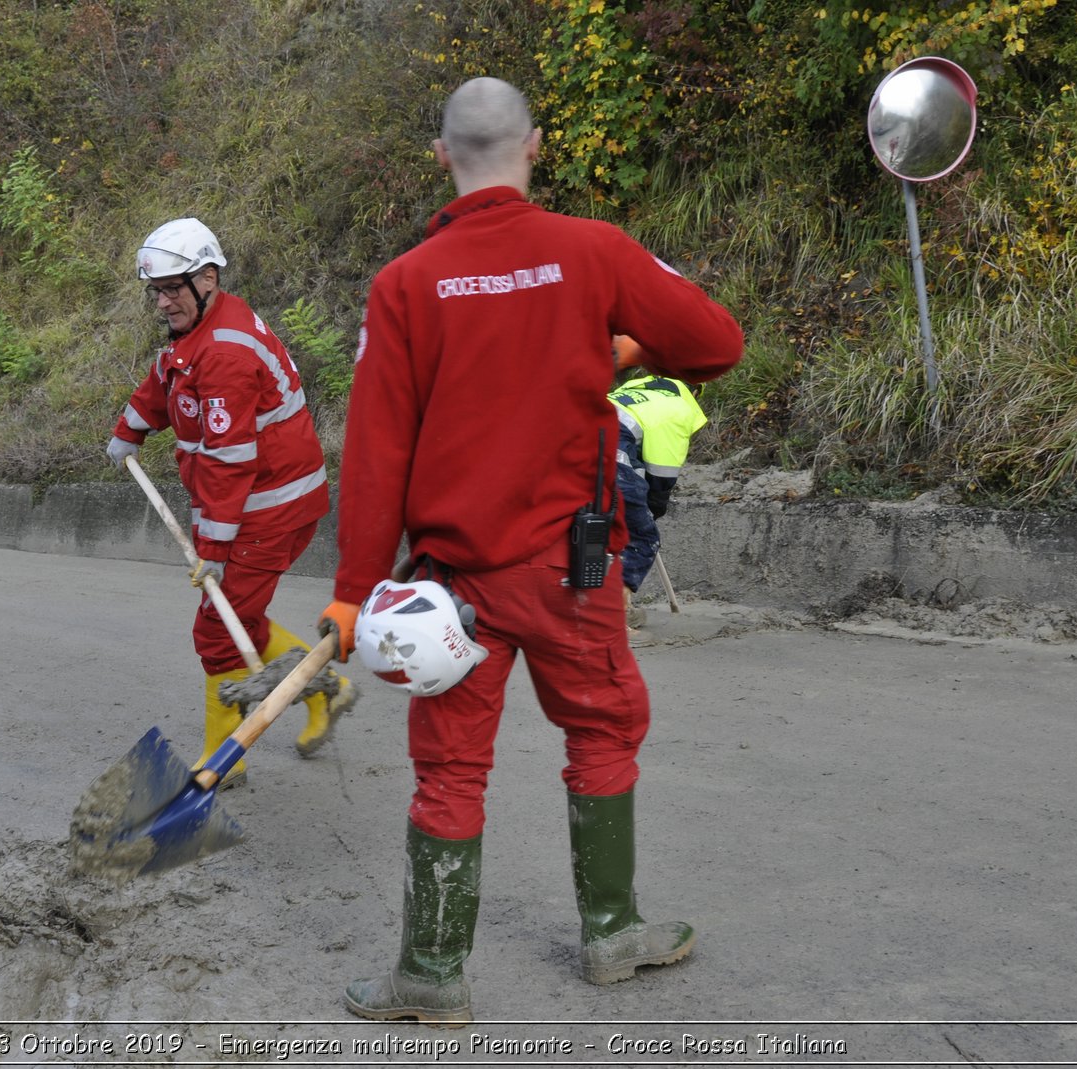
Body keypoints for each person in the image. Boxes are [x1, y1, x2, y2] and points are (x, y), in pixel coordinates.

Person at [318, 77, 742, 1024]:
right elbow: (717, 341)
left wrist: (353, 595)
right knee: (600, 729)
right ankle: (612, 933)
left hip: (449, 590)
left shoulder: (403, 285)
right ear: (536, 146)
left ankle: (429, 974)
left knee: (450, 768)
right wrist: (624, 351)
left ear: (440, 156)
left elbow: (378, 452)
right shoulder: (591, 251)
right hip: (572, 569)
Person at [106, 218, 354, 786]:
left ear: (207, 279)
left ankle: (226, 757)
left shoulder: (226, 353)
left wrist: (214, 548)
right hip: (253, 504)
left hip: (268, 508)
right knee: (240, 619)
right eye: (157, 291)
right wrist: (132, 428)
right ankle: (327, 689)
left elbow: (228, 460)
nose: (163, 302)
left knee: (218, 632)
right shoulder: (202, 328)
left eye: (173, 289)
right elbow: (170, 381)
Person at [609, 336, 710, 629]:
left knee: (592, 530)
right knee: (641, 536)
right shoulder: (678, 408)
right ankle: (616, 610)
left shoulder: (632, 391)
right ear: (695, 389)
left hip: (568, 454)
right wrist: (653, 510)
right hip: (607, 458)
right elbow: (662, 474)